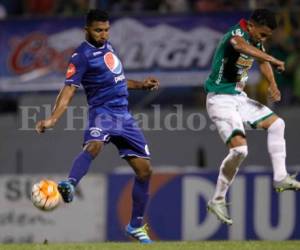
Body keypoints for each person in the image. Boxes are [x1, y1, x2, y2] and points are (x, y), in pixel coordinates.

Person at [35, 9, 159, 243]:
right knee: (93, 146)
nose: (103, 34)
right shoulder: (80, 56)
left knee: (145, 171)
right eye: (98, 30)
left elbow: (118, 81)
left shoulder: (108, 48)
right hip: (103, 114)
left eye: (106, 30)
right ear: (87, 30)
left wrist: (142, 85)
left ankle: (135, 226)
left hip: (124, 116)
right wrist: (52, 119)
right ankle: (70, 184)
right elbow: (68, 89)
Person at [204, 9, 300, 225]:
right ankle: (217, 199)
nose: (263, 39)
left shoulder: (255, 39)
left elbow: (263, 62)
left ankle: (280, 177)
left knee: (277, 124)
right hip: (220, 99)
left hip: (239, 98)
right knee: (240, 150)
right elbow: (240, 46)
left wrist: (273, 85)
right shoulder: (237, 33)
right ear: (252, 25)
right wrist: (273, 57)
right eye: (262, 34)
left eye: (267, 36)